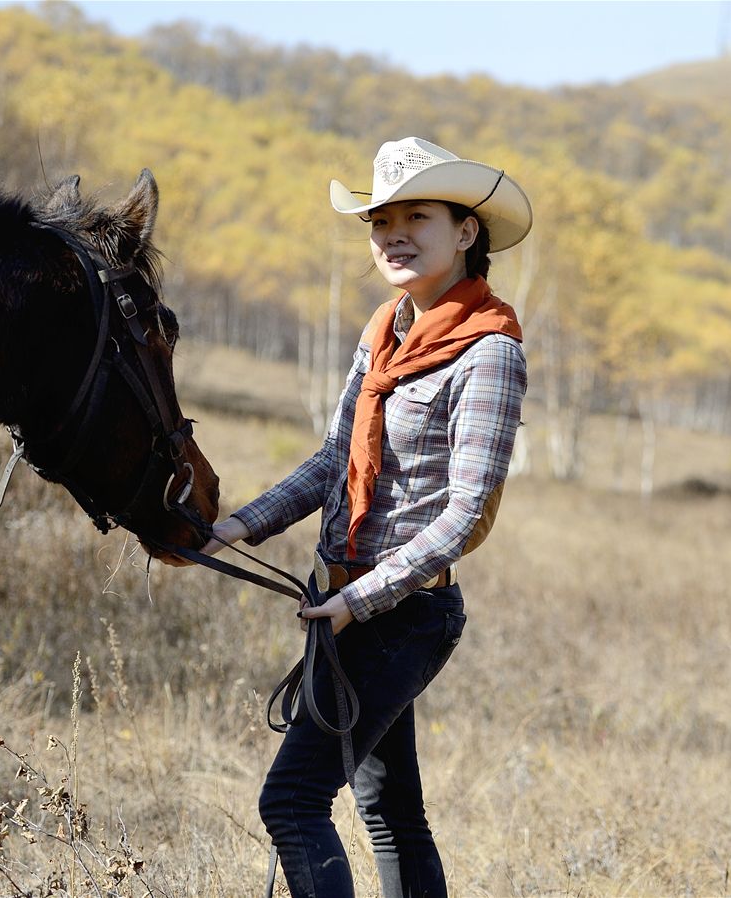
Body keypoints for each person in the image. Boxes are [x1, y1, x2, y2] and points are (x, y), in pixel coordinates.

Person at [202, 137, 531, 897]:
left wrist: (357, 600)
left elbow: (465, 515)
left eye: (417, 215)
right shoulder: (383, 333)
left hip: (403, 613)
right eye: (381, 220)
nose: (394, 234)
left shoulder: (490, 351)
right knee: (390, 810)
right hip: (345, 600)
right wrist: (237, 526)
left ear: (466, 231)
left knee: (290, 800)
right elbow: (332, 459)